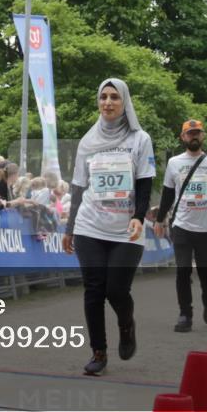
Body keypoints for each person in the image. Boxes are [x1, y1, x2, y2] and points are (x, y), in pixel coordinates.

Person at [62, 78, 155, 376]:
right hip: (91, 224)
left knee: (116, 290)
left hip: (126, 228)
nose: (108, 102)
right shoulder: (88, 142)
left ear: (124, 101)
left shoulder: (140, 140)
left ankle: (126, 325)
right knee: (93, 289)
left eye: (115, 97)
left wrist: (138, 217)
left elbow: (144, 183)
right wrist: (70, 227)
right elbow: (78, 187)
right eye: (103, 97)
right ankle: (98, 351)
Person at [154, 119, 207, 331]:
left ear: (203, 136)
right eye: (190, 133)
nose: (194, 136)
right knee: (182, 270)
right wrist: (160, 219)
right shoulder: (174, 163)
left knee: (206, 274)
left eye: (197, 133)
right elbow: (168, 194)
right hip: (182, 227)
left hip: (206, 229)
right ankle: (185, 314)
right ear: (183, 137)